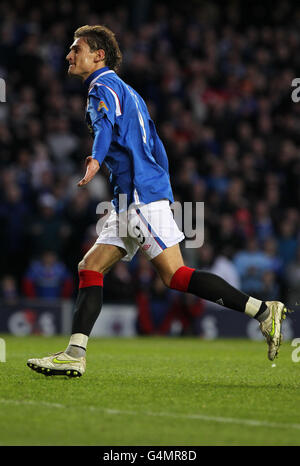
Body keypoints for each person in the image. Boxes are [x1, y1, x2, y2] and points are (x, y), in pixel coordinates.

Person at [27, 25, 289, 377]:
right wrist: (158, 183)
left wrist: (95, 158)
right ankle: (75, 353)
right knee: (90, 267)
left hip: (138, 195)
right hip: (134, 196)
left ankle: (262, 311)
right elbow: (154, 143)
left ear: (98, 55)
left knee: (176, 275)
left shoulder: (100, 86)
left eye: (77, 49)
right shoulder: (129, 92)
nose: (69, 55)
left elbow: (104, 129)